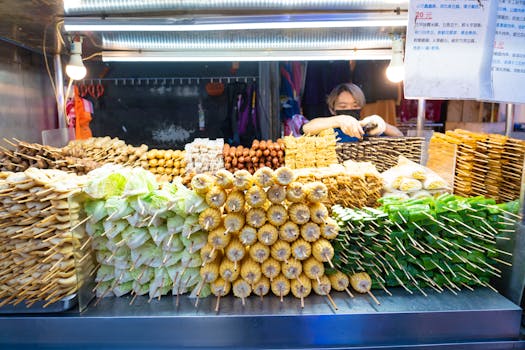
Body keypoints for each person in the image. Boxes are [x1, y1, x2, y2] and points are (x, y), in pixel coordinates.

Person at [302, 83, 403, 141]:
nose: (349, 108)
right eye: (343, 106)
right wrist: (338, 120)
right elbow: (305, 128)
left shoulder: (368, 129)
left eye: (355, 105)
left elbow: (400, 137)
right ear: (332, 109)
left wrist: (382, 125)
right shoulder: (325, 130)